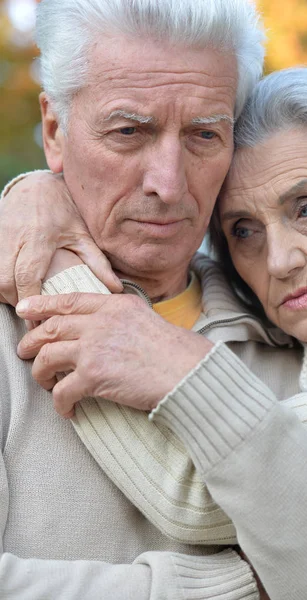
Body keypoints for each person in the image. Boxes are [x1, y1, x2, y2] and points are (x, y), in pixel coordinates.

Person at [2, 48, 307, 600]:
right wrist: (39, 192)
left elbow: (197, 493)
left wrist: (60, 276)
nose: (280, 260)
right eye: (242, 229)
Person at [0, 0, 275, 598]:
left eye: (205, 134)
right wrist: (248, 585)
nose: (169, 183)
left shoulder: (305, 332)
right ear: (55, 132)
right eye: (128, 132)